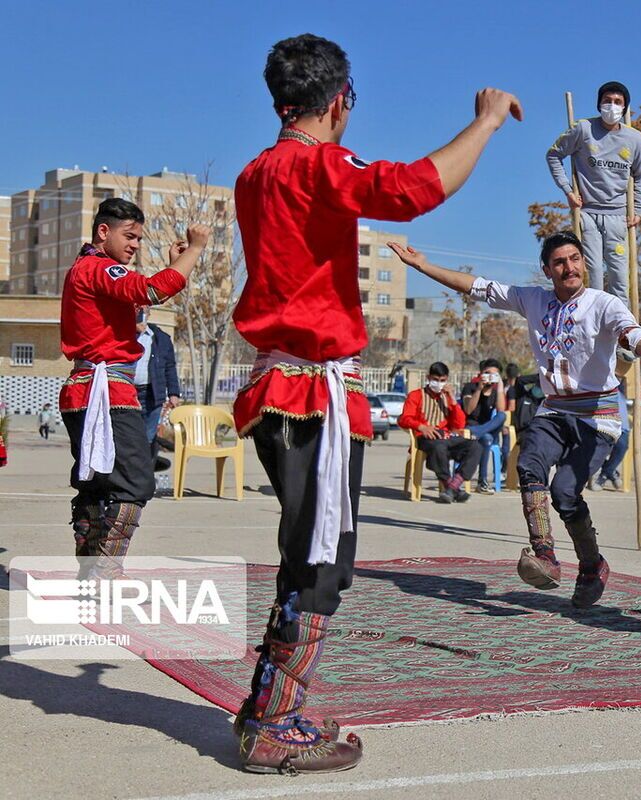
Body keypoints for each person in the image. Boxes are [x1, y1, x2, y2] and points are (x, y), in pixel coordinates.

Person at [228, 33, 521, 775]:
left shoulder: (255, 172)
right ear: (340, 103)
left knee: (311, 553)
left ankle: (273, 709)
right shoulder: (314, 163)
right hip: (311, 392)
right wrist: (485, 122)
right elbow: (414, 190)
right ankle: (272, 723)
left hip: (285, 388)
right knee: (321, 561)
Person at [391, 231, 641, 608]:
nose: (570, 267)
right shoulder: (531, 299)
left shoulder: (605, 304)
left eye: (575, 259)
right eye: (560, 262)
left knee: (565, 492)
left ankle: (592, 564)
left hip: (598, 415)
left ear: (584, 263)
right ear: (547, 270)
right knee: (529, 463)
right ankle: (544, 555)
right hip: (555, 408)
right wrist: (423, 266)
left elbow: (636, 338)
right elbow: (475, 286)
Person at [59, 199, 208, 581]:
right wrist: (193, 251)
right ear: (103, 232)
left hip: (84, 390)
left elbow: (139, 289)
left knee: (95, 482)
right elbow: (153, 292)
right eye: (130, 235)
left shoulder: (85, 269)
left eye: (139, 237)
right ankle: (105, 572)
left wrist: (173, 263)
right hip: (106, 393)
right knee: (135, 482)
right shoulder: (97, 267)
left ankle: (90, 572)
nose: (136, 244)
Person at [545, 81, 641, 308]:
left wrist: (638, 209)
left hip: (619, 217)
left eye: (617, 102)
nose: (612, 106)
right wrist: (568, 191)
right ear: (599, 103)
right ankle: (593, 333)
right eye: (607, 101)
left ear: (625, 107)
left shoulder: (634, 138)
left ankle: (623, 338)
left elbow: (639, 175)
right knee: (594, 277)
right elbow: (553, 155)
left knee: (621, 281)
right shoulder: (583, 129)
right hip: (588, 214)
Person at [398, 362, 482, 503]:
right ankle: (452, 487)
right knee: (439, 446)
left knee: (475, 446)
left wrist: (453, 401)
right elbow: (404, 419)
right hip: (425, 438)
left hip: (447, 437)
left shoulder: (447, 398)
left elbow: (459, 425)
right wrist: (421, 427)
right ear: (429, 378)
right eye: (436, 380)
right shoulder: (416, 395)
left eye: (442, 381)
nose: (439, 383)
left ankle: (452, 487)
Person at [133, 307, 182, 466]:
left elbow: (170, 367)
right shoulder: (122, 336)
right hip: (128, 394)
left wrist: (173, 393)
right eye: (136, 309)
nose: (140, 313)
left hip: (152, 393)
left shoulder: (161, 339)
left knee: (148, 436)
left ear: (148, 313)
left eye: (143, 310)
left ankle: (144, 472)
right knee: (130, 436)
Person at [460, 358, 509, 492]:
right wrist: (479, 389)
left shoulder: (495, 392)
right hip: (471, 426)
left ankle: (478, 431)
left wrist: (499, 388)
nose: (490, 377)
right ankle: (482, 482)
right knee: (486, 439)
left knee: (502, 415)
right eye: (487, 373)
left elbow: (501, 410)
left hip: (483, 428)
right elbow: (468, 410)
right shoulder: (470, 387)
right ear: (481, 373)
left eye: (494, 374)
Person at [593, 379, 630, 491]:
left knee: (622, 446)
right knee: (596, 448)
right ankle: (611, 472)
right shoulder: (600, 386)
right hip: (604, 424)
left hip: (622, 426)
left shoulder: (622, 389)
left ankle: (605, 474)